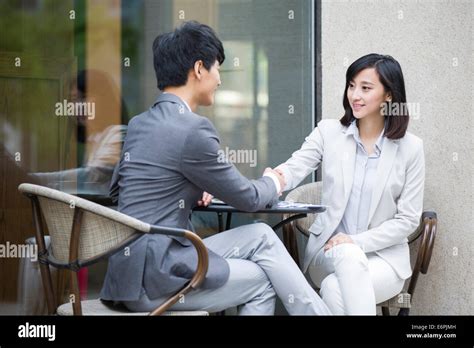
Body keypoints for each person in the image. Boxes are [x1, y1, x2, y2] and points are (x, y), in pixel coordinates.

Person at [100, 21, 331, 315]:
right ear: (199, 69)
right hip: (156, 279)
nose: (220, 79)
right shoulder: (193, 129)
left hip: (127, 276)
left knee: (260, 234)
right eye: (217, 68)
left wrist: (189, 189)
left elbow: (122, 191)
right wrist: (274, 181)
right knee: (262, 279)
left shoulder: (138, 124)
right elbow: (248, 198)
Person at [276, 53, 425, 315]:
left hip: (384, 261)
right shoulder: (328, 132)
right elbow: (295, 166)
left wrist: (356, 241)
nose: (355, 95)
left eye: (366, 88)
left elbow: (408, 221)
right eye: (351, 85)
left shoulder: (411, 148)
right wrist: (274, 179)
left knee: (335, 287)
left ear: (389, 95)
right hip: (328, 255)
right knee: (345, 255)